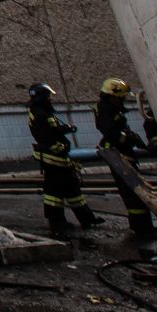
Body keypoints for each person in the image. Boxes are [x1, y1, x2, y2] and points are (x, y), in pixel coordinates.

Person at [27, 82, 100, 236]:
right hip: (53, 160)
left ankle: (87, 218)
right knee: (54, 194)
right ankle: (57, 223)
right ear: (40, 97)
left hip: (60, 158)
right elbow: (47, 134)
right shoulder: (40, 114)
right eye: (47, 96)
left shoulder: (42, 112)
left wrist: (65, 129)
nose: (49, 99)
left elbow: (52, 130)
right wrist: (63, 137)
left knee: (73, 191)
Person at [96, 77, 157, 240]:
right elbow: (111, 133)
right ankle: (143, 229)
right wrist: (128, 138)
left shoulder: (110, 108)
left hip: (122, 153)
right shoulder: (104, 109)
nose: (123, 100)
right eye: (121, 97)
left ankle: (142, 226)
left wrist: (131, 137)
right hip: (118, 155)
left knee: (135, 191)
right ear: (112, 95)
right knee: (134, 192)